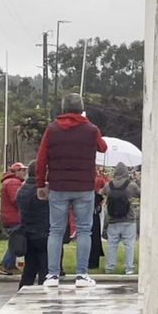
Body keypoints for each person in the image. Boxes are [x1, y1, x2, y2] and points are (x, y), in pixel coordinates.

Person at [35, 93, 107, 289]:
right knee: (84, 230)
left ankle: (52, 275)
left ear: (63, 108)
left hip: (58, 186)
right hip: (84, 187)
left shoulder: (52, 129)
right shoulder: (91, 129)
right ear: (81, 109)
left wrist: (41, 184)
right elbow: (103, 147)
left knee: (56, 231)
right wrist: (87, 122)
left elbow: (41, 158)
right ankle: (82, 275)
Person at [16, 161, 50, 289]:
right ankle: (44, 296)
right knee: (45, 270)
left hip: (27, 234)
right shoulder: (43, 191)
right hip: (43, 233)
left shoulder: (21, 190)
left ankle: (22, 295)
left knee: (29, 270)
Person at [103, 163, 140, 275]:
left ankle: (110, 268)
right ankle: (129, 268)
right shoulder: (131, 185)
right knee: (129, 245)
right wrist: (138, 180)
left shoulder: (108, 185)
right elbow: (141, 194)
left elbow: (102, 194)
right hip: (129, 220)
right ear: (126, 172)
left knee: (112, 245)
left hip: (113, 220)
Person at [0, 162, 25, 275]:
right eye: (22, 170)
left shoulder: (9, 182)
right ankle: (5, 264)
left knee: (14, 241)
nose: (24, 173)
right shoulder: (14, 182)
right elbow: (16, 199)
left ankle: (10, 265)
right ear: (16, 171)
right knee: (16, 242)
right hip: (14, 217)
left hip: (9, 217)